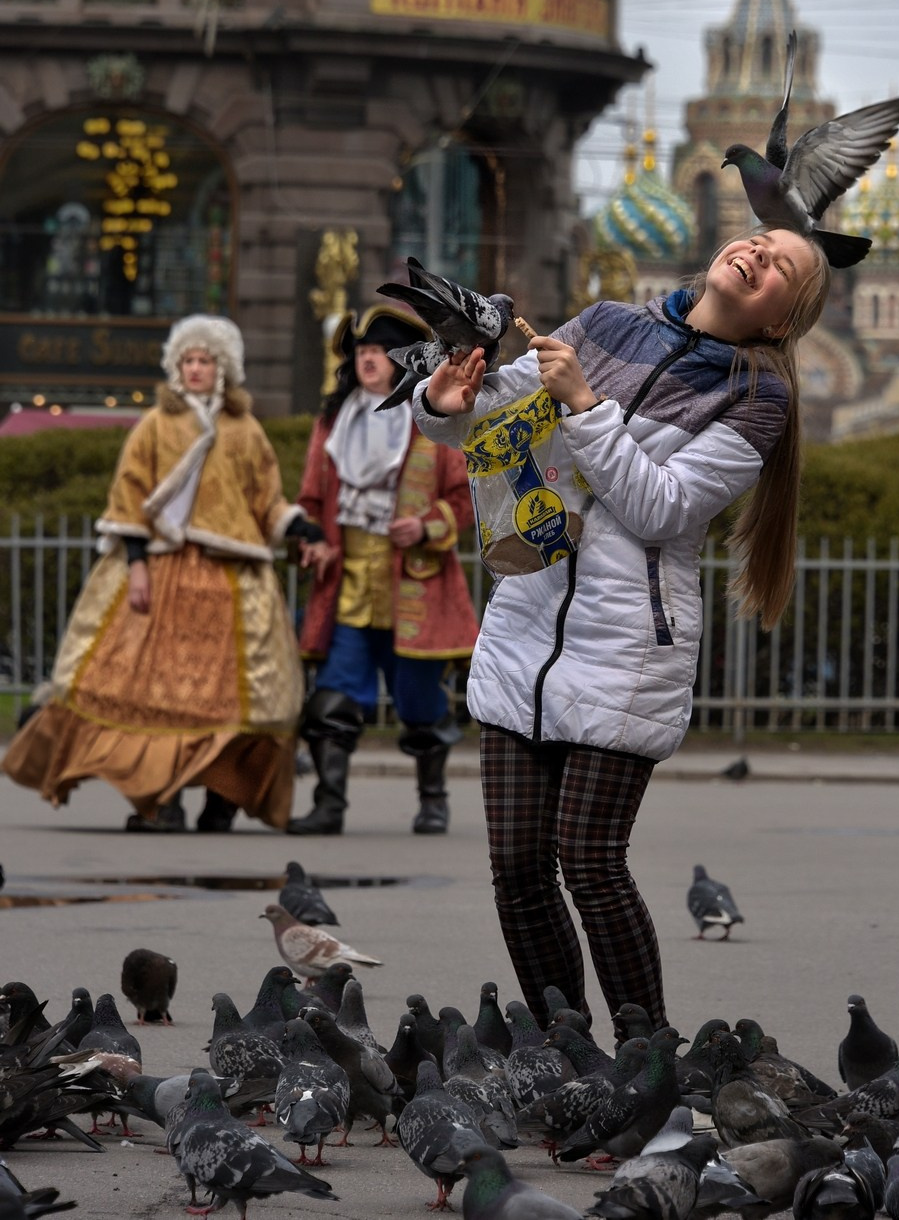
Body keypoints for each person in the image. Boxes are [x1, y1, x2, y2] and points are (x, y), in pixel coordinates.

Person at [413, 229, 833, 1028]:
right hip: (525, 626)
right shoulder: (604, 323)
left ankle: (647, 1061)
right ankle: (561, 1056)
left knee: (593, 864)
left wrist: (583, 406)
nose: (757, 251)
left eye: (782, 264)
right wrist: (443, 404)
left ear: (781, 320)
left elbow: (660, 508)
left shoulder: (755, 396)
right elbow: (487, 423)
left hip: (626, 648)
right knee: (517, 868)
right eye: (759, 238)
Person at [2, 315, 320, 833]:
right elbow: (128, 497)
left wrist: (302, 528)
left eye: (204, 360)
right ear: (176, 368)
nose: (195, 369)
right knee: (155, 696)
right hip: (165, 574)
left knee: (242, 699)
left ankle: (223, 799)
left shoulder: (246, 430)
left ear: (223, 368)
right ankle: (160, 801)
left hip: (233, 583)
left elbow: (267, 500)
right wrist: (136, 565)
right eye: (187, 361)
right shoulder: (154, 425)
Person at [288, 304, 479, 837]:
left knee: (419, 700)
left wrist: (425, 527)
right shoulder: (333, 421)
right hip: (348, 584)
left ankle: (433, 800)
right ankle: (329, 806)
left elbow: (463, 499)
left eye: (379, 351)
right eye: (362, 352)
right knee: (333, 698)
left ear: (401, 361)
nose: (369, 360)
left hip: (412, 585)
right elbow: (309, 499)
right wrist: (314, 542)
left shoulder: (430, 421)